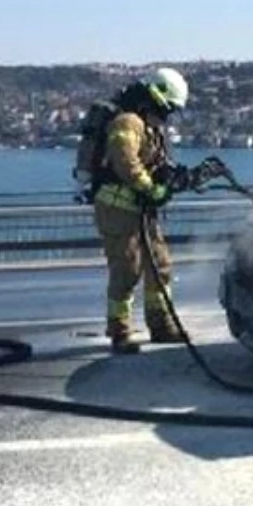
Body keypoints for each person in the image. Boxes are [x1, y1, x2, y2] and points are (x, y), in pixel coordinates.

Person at [93, 67, 189, 353]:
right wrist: (152, 189)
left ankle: (161, 326)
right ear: (156, 97)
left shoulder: (149, 126)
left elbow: (153, 162)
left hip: (140, 208)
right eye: (167, 108)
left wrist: (169, 181)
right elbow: (126, 163)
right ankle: (119, 332)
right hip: (118, 207)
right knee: (127, 269)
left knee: (159, 265)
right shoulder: (128, 122)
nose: (167, 114)